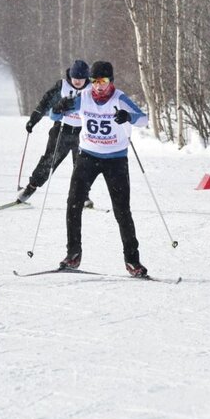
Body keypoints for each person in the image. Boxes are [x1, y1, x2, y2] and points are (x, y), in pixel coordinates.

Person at [51, 60, 150, 277]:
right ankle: (73, 254)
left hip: (116, 160)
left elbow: (144, 119)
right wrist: (59, 108)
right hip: (87, 157)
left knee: (122, 211)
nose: (98, 86)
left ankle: (133, 261)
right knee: (73, 204)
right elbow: (55, 116)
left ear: (111, 81)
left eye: (103, 81)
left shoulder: (120, 98)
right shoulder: (83, 97)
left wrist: (128, 117)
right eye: (94, 81)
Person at [15, 59, 90, 204]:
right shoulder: (62, 86)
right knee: (49, 161)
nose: (77, 82)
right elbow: (45, 103)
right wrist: (33, 119)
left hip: (83, 133)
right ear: (70, 76)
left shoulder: (92, 89)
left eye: (81, 79)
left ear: (86, 78)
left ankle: (83, 195)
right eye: (75, 78)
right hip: (62, 130)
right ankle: (30, 188)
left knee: (83, 165)